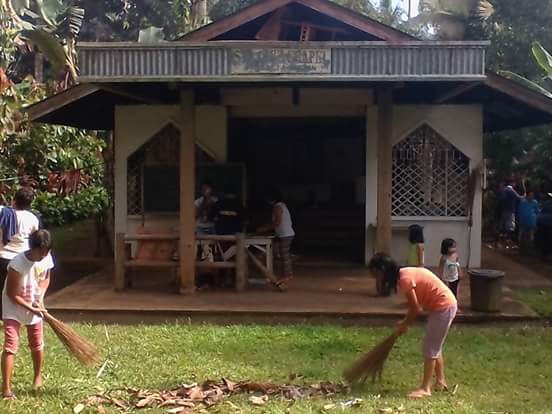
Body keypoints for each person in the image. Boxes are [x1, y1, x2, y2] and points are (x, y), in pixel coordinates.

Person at [368, 253, 457, 399]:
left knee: (430, 347)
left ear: (382, 271)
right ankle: (441, 381)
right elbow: (414, 305)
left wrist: (405, 324)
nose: (376, 279)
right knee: (435, 345)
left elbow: (416, 308)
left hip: (443, 307)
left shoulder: (405, 279)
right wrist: (405, 322)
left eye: (375, 274)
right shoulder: (404, 274)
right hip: (443, 306)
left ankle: (425, 388)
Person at [2, 229, 54, 399]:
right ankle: (7, 389)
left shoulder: (46, 259)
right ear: (33, 247)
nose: (44, 256)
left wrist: (41, 298)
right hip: (13, 307)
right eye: (41, 252)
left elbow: (46, 277)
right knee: (11, 345)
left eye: (47, 252)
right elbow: (11, 293)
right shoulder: (17, 263)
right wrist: (30, 307)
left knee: (37, 343)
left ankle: (38, 377)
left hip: (33, 304)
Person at [0, 188, 42, 307]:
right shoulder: (32, 219)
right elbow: (35, 238)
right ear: (30, 204)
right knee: (17, 289)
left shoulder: (2, 212)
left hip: (2, 257)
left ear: (14, 200)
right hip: (20, 259)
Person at [258, 188, 295, 282]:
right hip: (283, 234)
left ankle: (287, 275)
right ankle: (285, 273)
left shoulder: (278, 206)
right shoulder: (281, 205)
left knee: (284, 255)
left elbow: (278, 222)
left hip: (285, 234)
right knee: (279, 253)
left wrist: (265, 228)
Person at [498, 177, 526, 248]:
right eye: (514, 182)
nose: (514, 184)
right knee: (509, 226)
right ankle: (507, 241)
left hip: (503, 209)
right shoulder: (510, 190)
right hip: (510, 210)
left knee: (503, 226)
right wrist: (524, 195)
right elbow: (519, 197)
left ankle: (501, 241)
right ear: (511, 183)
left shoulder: (504, 189)